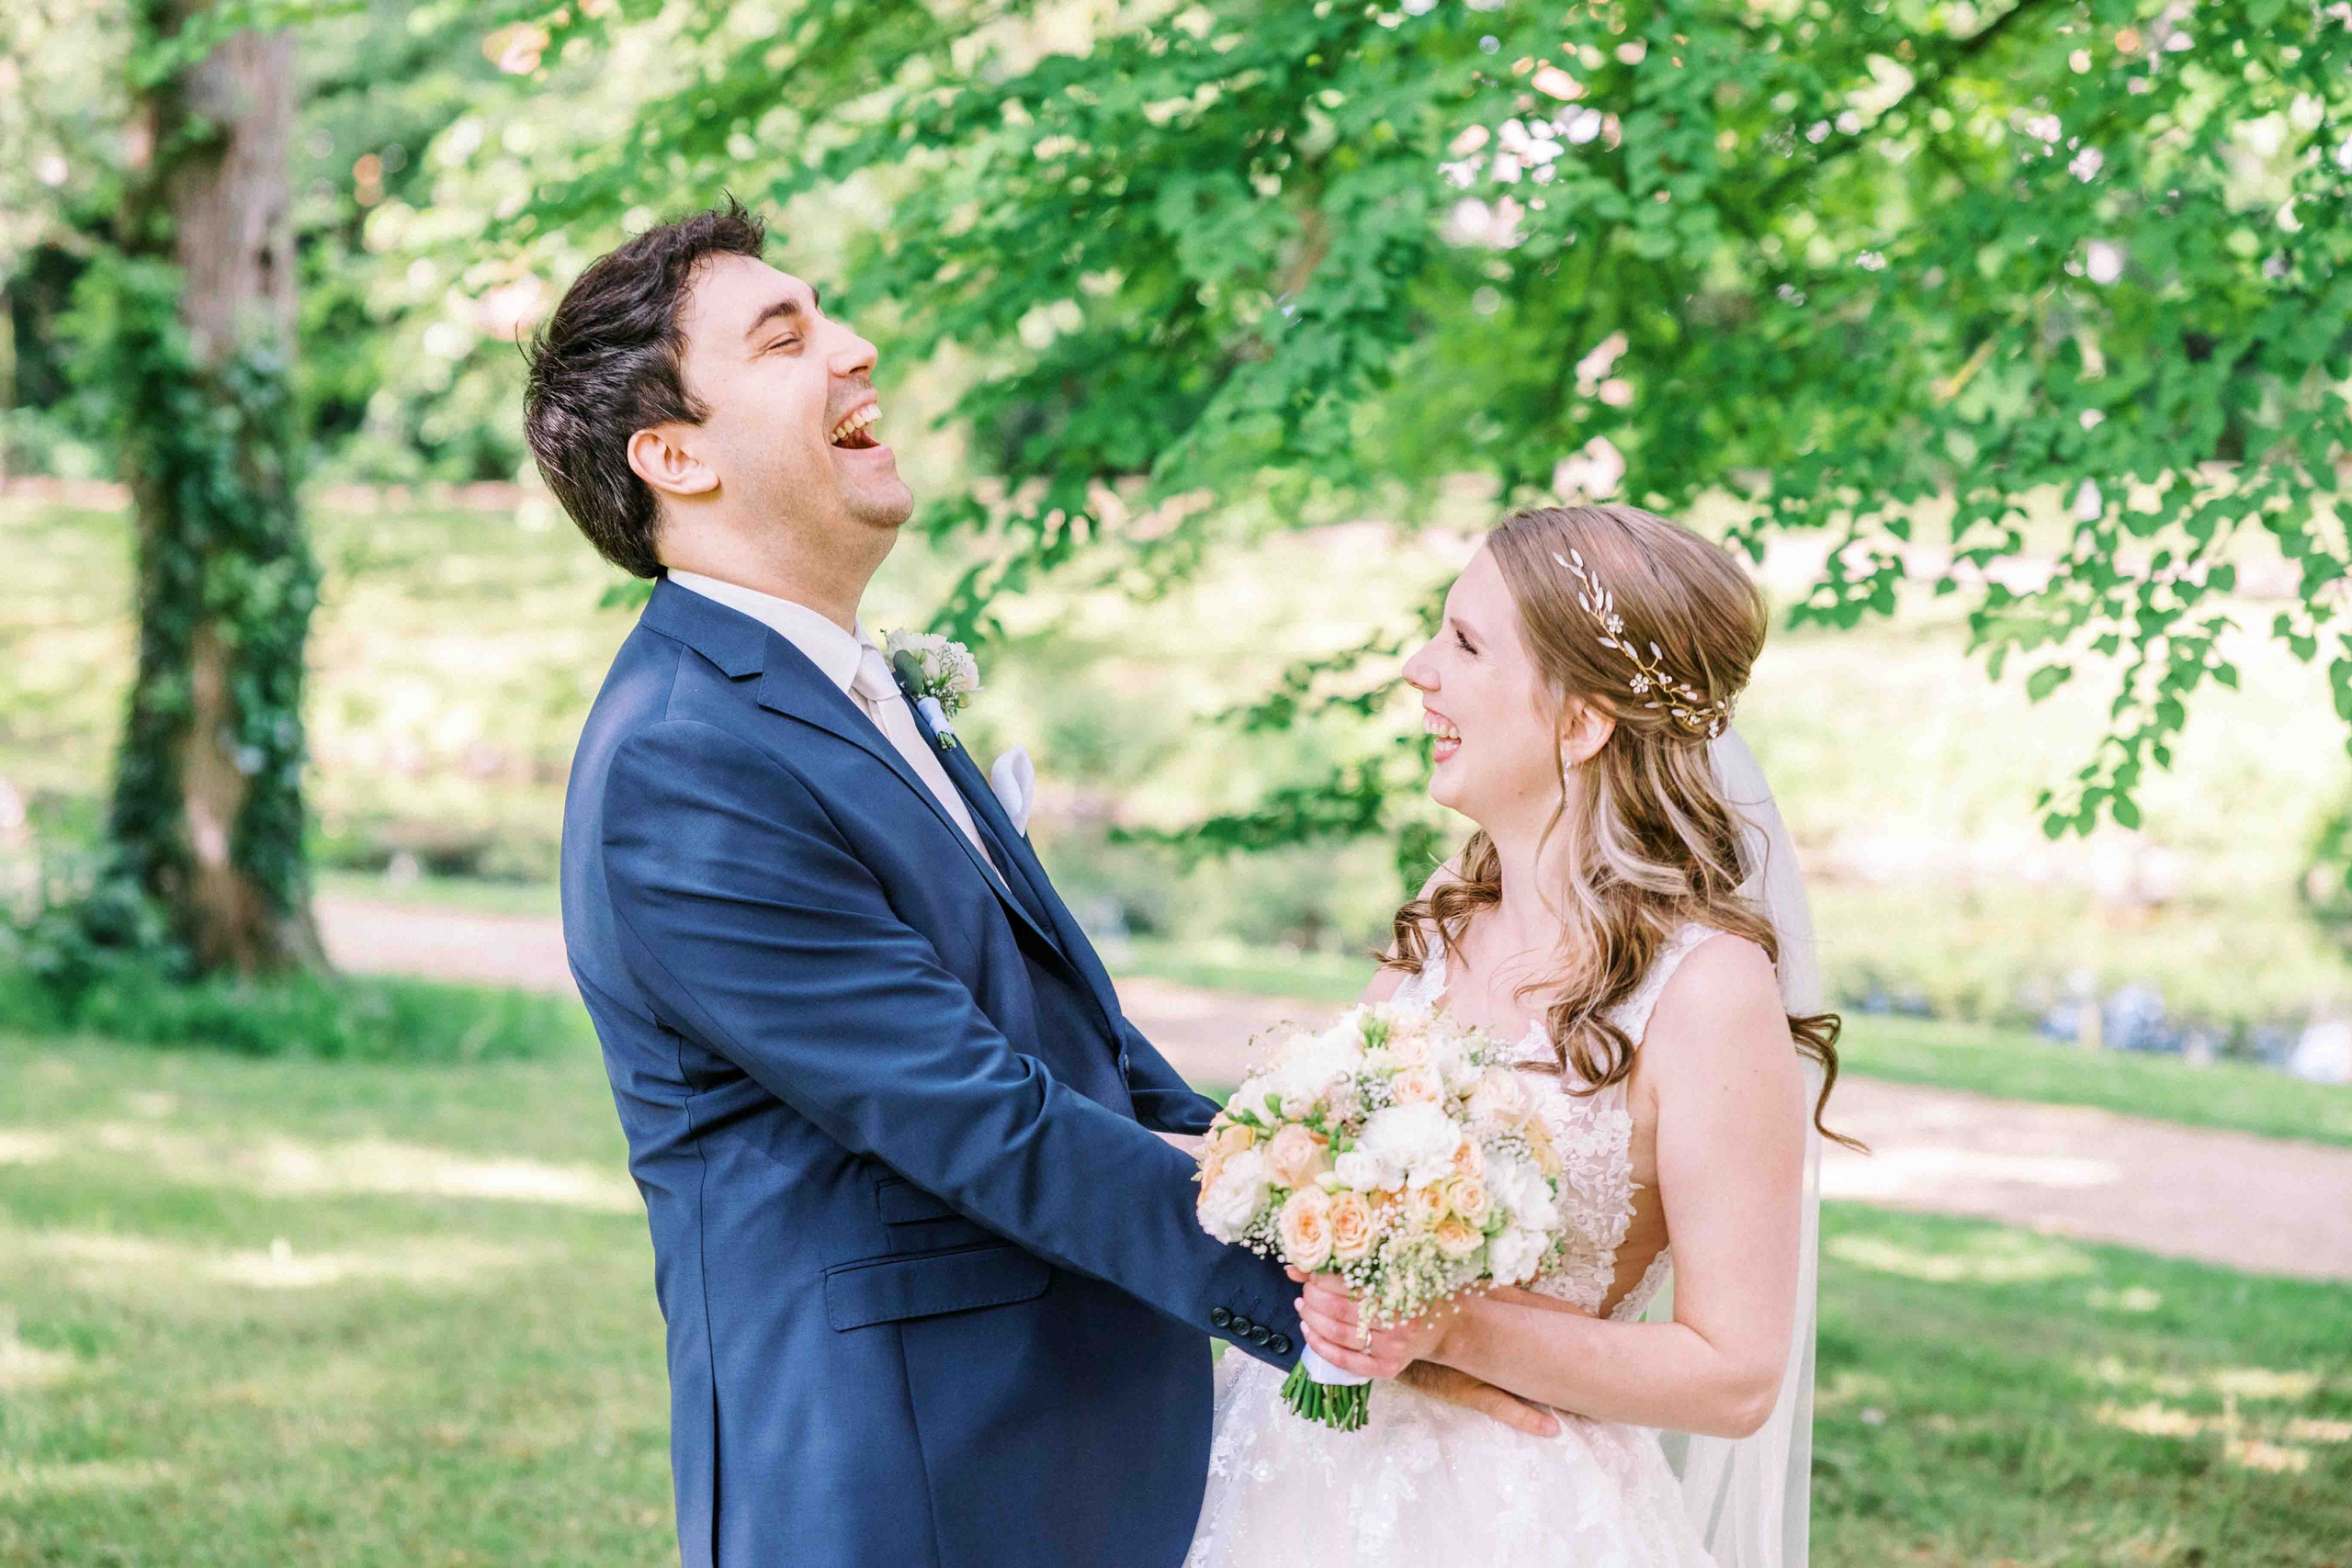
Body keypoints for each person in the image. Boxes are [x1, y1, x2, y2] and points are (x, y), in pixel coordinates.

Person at [525, 202, 1538, 1568]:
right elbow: (975, 1111)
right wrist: (1326, 1304)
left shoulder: (850, 691)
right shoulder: (683, 757)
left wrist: (1335, 1191)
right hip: (906, 1477)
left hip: (1046, 1445)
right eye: (784, 338)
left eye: (830, 314)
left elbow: (1086, 1049)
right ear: (673, 455)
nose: (856, 348)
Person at [1186, 503, 1847, 1568]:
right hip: (1291, 1468)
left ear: (1581, 723)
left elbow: (1733, 1377)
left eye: (1464, 643)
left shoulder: (1706, 991)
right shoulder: (1448, 916)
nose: (1418, 669)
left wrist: (1450, 1328)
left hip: (1508, 1513)